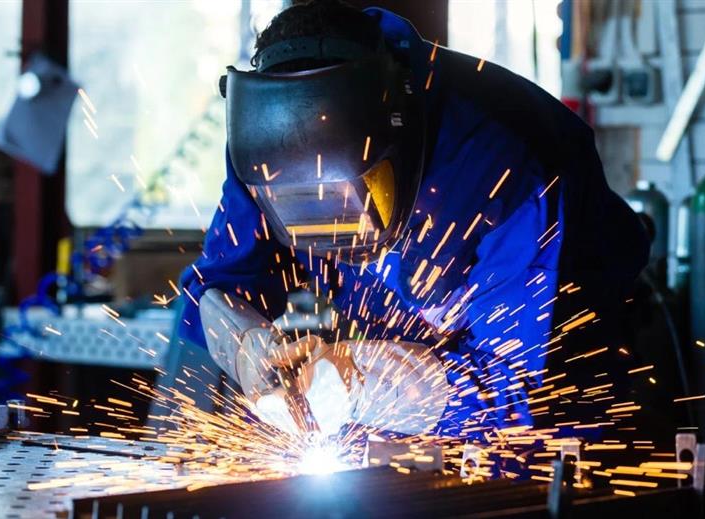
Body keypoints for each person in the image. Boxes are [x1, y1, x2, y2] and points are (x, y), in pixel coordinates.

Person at [179, 0, 649, 438]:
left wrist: (365, 383)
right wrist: (246, 348)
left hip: (559, 364)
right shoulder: (263, 148)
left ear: (394, 138)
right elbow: (219, 285)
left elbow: (513, 391)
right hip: (399, 367)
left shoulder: (502, 167)